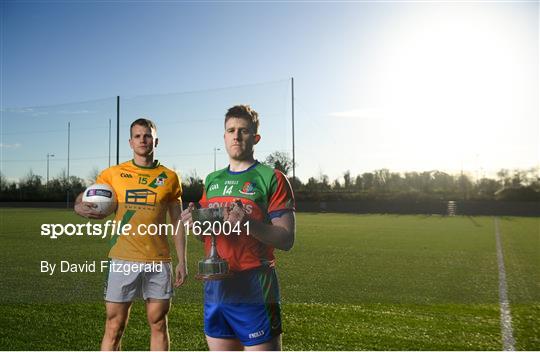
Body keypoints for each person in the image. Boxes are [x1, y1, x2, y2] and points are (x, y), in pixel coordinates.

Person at [181, 105, 295, 351]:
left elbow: (286, 239)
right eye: (231, 130)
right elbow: (206, 237)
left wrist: (247, 223)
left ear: (255, 138)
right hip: (216, 287)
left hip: (255, 287)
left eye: (243, 131)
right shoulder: (212, 180)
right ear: (224, 136)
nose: (236, 136)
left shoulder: (271, 178)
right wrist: (195, 222)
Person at [74, 118, 187, 351]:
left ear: (156, 140)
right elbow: (88, 196)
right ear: (130, 141)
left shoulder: (170, 177)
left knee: (158, 323)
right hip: (122, 260)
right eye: (137, 136)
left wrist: (182, 261)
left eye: (147, 135)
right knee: (114, 325)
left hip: (158, 261)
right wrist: (78, 206)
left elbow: (177, 221)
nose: (143, 140)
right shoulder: (113, 174)